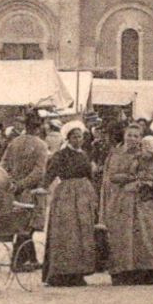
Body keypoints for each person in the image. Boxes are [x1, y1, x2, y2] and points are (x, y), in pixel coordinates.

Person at [101, 121, 153, 285]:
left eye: (136, 136)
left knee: (146, 234)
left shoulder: (146, 153)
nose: (133, 139)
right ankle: (124, 270)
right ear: (124, 136)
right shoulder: (116, 154)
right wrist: (130, 178)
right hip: (122, 198)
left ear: (141, 138)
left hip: (143, 200)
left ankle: (148, 269)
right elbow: (111, 176)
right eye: (130, 135)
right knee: (123, 235)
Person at [43, 121, 98, 286]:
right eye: (74, 137)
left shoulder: (84, 155)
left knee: (83, 232)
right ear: (68, 138)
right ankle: (63, 273)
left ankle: (79, 272)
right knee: (67, 233)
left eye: (80, 137)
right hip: (66, 195)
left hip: (83, 195)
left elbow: (90, 175)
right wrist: (42, 187)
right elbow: (50, 173)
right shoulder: (61, 155)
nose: (78, 140)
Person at [0, 112, 50, 270]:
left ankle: (31, 258)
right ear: (38, 127)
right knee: (28, 225)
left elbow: (3, 165)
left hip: (14, 190)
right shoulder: (41, 145)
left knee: (21, 223)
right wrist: (22, 184)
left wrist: (11, 182)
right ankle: (18, 260)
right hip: (31, 190)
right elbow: (39, 172)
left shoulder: (14, 142)